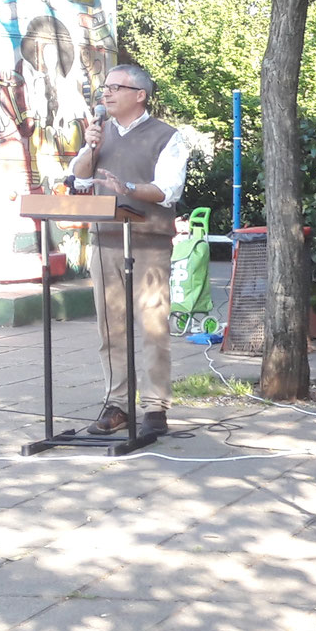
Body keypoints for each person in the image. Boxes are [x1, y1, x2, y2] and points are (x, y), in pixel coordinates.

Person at [69, 65, 188, 436]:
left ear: (140, 95)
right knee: (111, 330)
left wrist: (129, 188)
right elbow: (80, 178)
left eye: (115, 88)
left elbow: (169, 190)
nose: (105, 94)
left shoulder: (167, 137)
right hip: (105, 244)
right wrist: (91, 147)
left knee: (153, 328)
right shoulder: (99, 133)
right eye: (104, 88)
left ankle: (155, 408)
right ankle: (117, 403)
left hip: (148, 243)